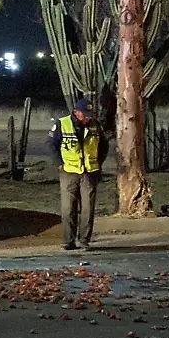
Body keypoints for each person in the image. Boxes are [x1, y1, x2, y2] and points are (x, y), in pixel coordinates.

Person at [49, 99, 109, 250]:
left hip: (89, 172)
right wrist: (60, 164)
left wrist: (97, 163)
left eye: (90, 114)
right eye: (85, 114)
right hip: (69, 172)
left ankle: (84, 240)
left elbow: (103, 146)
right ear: (76, 112)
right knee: (68, 208)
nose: (88, 117)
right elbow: (52, 145)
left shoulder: (95, 125)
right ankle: (68, 241)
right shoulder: (62, 124)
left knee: (87, 209)